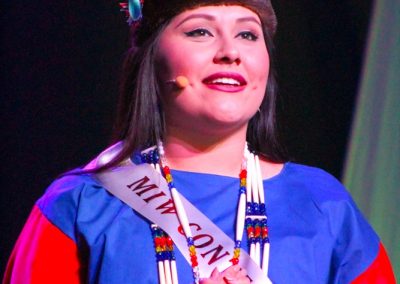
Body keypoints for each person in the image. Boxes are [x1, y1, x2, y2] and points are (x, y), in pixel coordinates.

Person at [3, 0, 395, 283]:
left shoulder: (324, 205)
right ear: (152, 59)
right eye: (200, 31)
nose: (230, 52)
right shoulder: (79, 204)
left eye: (247, 33)